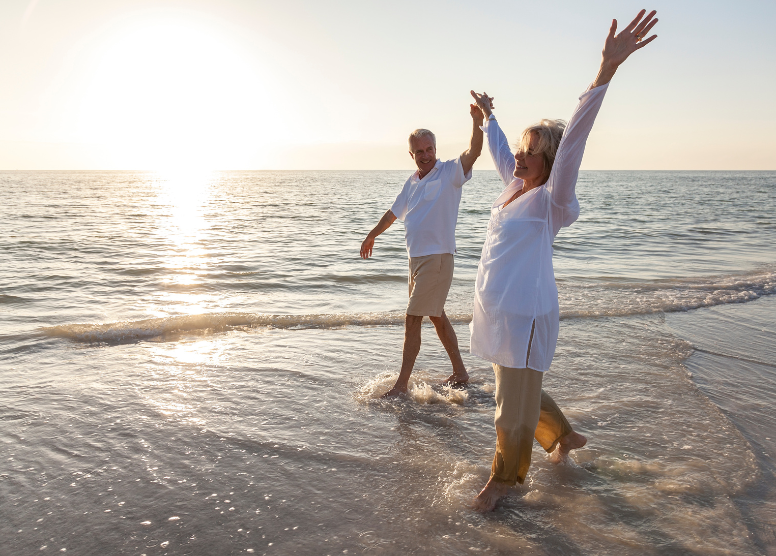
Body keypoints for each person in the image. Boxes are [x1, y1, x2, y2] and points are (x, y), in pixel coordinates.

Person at [468, 10, 659, 511]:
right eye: (521, 150)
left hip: (527, 314)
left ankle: (504, 481)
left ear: (550, 160)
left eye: (532, 152)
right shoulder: (513, 189)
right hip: (501, 313)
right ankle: (564, 437)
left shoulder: (551, 199)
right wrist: (489, 116)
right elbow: (498, 151)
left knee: (510, 407)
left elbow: (574, 139)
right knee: (515, 391)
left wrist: (605, 72)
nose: (520, 157)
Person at [360, 103, 487, 397]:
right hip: (415, 260)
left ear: (435, 149)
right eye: (420, 151)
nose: (426, 155)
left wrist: (477, 121)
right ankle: (461, 372)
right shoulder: (412, 182)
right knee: (436, 315)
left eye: (430, 149)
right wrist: (371, 235)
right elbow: (392, 214)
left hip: (438, 257)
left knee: (412, 317)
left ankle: (401, 385)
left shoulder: (449, 173)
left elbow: (474, 152)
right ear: (412, 154)